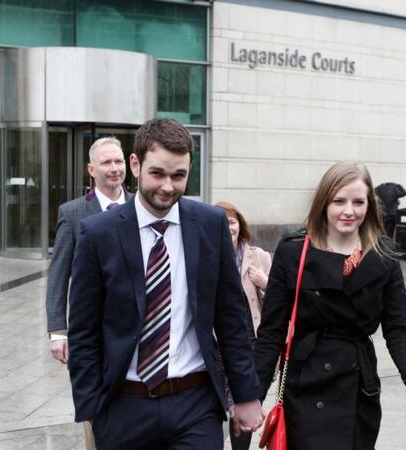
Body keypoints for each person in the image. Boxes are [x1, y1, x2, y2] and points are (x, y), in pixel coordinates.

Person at [67, 118, 264, 450]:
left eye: (179, 176)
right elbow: (83, 330)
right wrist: (92, 408)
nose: (168, 186)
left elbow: (231, 319)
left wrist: (245, 394)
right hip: (123, 406)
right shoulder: (98, 233)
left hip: (195, 403)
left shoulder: (210, 224)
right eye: (157, 173)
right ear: (135, 165)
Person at [253, 162, 406, 450]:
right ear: (324, 202)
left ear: (369, 206)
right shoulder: (293, 251)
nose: (349, 211)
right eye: (339, 201)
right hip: (306, 384)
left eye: (358, 202)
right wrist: (253, 395)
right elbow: (271, 332)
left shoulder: (382, 255)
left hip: (357, 388)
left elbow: (398, 327)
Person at [45, 136, 130, 449]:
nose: (114, 168)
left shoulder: (142, 206)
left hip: (136, 330)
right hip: (93, 333)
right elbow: (58, 275)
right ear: (91, 169)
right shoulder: (73, 213)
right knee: (96, 415)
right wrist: (58, 331)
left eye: (119, 161)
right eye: (106, 162)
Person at [214, 201, 272, 450]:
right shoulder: (207, 257)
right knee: (218, 406)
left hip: (251, 344)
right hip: (216, 345)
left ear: (240, 225)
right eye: (222, 223)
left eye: (232, 222)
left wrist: (264, 282)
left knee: (245, 403)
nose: (228, 228)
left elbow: (279, 301)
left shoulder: (258, 257)